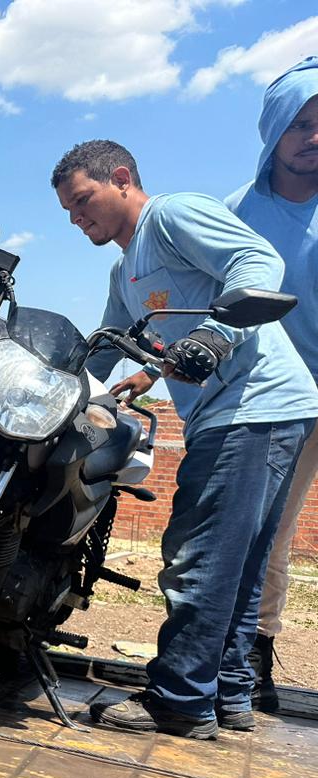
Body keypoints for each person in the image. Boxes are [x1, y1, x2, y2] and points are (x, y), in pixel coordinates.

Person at [50, 139, 318, 738]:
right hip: (264, 412)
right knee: (239, 563)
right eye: (68, 211)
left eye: (83, 200)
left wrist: (217, 336)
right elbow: (105, 347)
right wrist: (53, 383)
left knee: (202, 556)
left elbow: (258, 262)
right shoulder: (126, 271)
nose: (76, 218)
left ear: (121, 178)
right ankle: (228, 694)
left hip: (252, 406)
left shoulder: (171, 216)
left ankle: (178, 698)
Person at [226, 57, 318, 714]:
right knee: (267, 530)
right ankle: (249, 649)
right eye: (302, 124)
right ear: (274, 132)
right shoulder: (237, 212)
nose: (315, 138)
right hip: (273, 398)